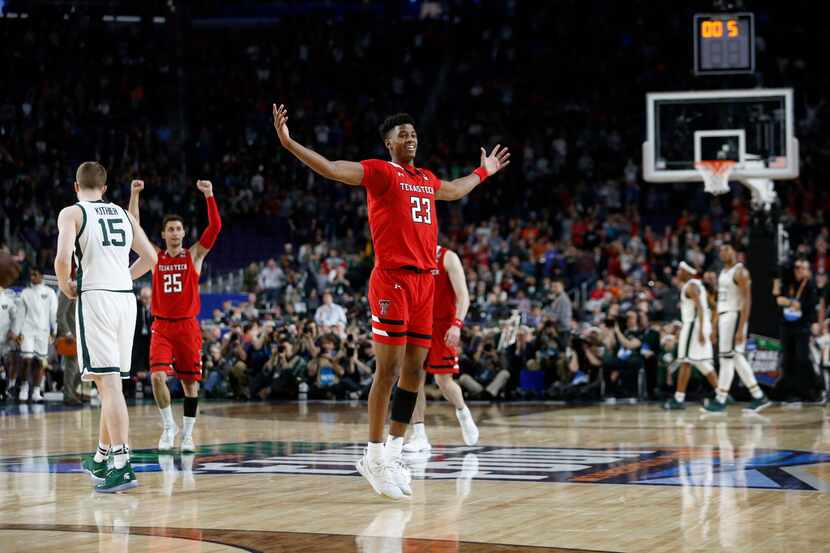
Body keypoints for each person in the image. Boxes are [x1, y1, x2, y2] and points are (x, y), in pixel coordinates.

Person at [273, 103, 509, 499]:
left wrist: (484, 172)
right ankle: (372, 453)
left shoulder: (426, 178)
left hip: (425, 284)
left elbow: (453, 189)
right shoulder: (381, 172)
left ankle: (394, 453)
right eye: (403, 134)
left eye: (414, 133)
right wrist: (289, 142)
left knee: (416, 371)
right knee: (389, 370)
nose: (411, 138)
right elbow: (331, 168)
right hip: (392, 282)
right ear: (389, 143)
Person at [54, 162, 157, 492]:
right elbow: (151, 258)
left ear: (76, 186)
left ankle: (122, 463)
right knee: (108, 381)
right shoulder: (124, 214)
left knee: (109, 384)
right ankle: (101, 457)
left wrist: (64, 284)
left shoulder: (72, 213)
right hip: (126, 300)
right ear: (105, 187)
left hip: (96, 297)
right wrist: (122, 276)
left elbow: (62, 258)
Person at [128, 178, 222, 452]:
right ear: (164, 234)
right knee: (157, 377)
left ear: (183, 233)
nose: (175, 233)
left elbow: (215, 227)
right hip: (162, 327)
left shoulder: (193, 256)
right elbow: (133, 228)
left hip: (188, 327)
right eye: (171, 229)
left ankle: (188, 435)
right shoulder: (155, 258)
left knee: (190, 384)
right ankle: (169, 427)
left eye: (179, 229)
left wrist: (209, 195)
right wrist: (135, 194)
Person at [404, 246, 479, 452]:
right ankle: (419, 434)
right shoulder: (412, 256)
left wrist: (457, 324)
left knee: (443, 381)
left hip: (443, 325)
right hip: (417, 323)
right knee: (412, 379)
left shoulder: (448, 257)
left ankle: (463, 413)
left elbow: (463, 296)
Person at [703, 243, 771, 413]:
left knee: (728, 359)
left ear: (735, 252)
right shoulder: (723, 273)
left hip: (734, 317)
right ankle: (757, 395)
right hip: (724, 317)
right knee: (734, 358)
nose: (723, 252)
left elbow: (747, 301)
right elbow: (720, 302)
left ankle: (721, 399)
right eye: (720, 250)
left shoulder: (741, 272)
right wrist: (715, 325)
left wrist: (741, 329)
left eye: (727, 249)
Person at [663, 262, 719, 410]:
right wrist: (709, 327)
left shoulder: (691, 286)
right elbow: (712, 306)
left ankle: (679, 399)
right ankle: (722, 394)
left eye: (680, 270)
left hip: (694, 326)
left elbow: (701, 308)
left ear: (687, 271)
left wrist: (701, 330)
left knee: (686, 361)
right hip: (697, 325)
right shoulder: (697, 285)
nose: (677, 273)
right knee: (702, 363)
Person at [772, 258, 821, 401]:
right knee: (787, 359)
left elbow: (805, 305)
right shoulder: (789, 282)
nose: (799, 271)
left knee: (802, 359)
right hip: (787, 326)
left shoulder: (810, 285)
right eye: (797, 268)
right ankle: (789, 392)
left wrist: (788, 302)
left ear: (808, 270)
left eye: (802, 268)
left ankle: (812, 390)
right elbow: (777, 297)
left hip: (802, 327)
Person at [13, 269, 57, 402]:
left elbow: (53, 312)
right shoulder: (25, 293)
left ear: (41, 276)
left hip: (43, 332)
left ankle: (36, 391)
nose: (32, 277)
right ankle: (24, 388)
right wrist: (16, 332)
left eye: (35, 274)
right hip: (27, 331)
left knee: (39, 362)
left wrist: (54, 330)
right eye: (30, 274)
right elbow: (20, 314)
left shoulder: (49, 292)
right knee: (27, 359)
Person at [56, 291, 82, 405]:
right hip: (71, 335)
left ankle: (72, 391)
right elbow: (60, 315)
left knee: (83, 367)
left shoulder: (84, 290)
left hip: (82, 334)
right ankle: (68, 395)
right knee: (71, 367)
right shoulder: (67, 291)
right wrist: (67, 333)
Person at [1, 284, 19, 400]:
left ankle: (10, 386)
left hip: (6, 339)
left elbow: (15, 318)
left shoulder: (8, 299)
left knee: (10, 361)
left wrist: (13, 331)